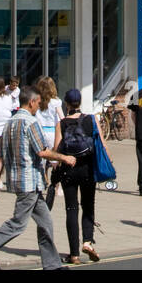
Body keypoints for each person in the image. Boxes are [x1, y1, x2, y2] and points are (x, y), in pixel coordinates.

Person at [0, 85, 75, 271]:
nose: (39, 106)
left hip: (20, 181)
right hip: (29, 181)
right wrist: (64, 157)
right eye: (38, 103)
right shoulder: (30, 123)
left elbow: (0, 156)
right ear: (31, 102)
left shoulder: (10, 123)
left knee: (45, 223)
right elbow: (42, 151)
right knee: (17, 224)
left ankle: (52, 265)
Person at [53, 87, 102, 264]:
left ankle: (74, 254)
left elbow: (57, 150)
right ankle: (88, 242)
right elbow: (101, 145)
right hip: (88, 169)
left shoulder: (62, 123)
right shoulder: (91, 120)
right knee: (88, 206)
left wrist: (54, 174)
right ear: (80, 102)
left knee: (71, 209)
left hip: (69, 170)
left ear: (66, 104)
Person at [35, 77, 63, 164]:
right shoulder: (56, 101)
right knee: (54, 159)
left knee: (41, 160)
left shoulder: (37, 101)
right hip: (53, 132)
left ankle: (44, 176)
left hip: (39, 131)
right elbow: (62, 117)